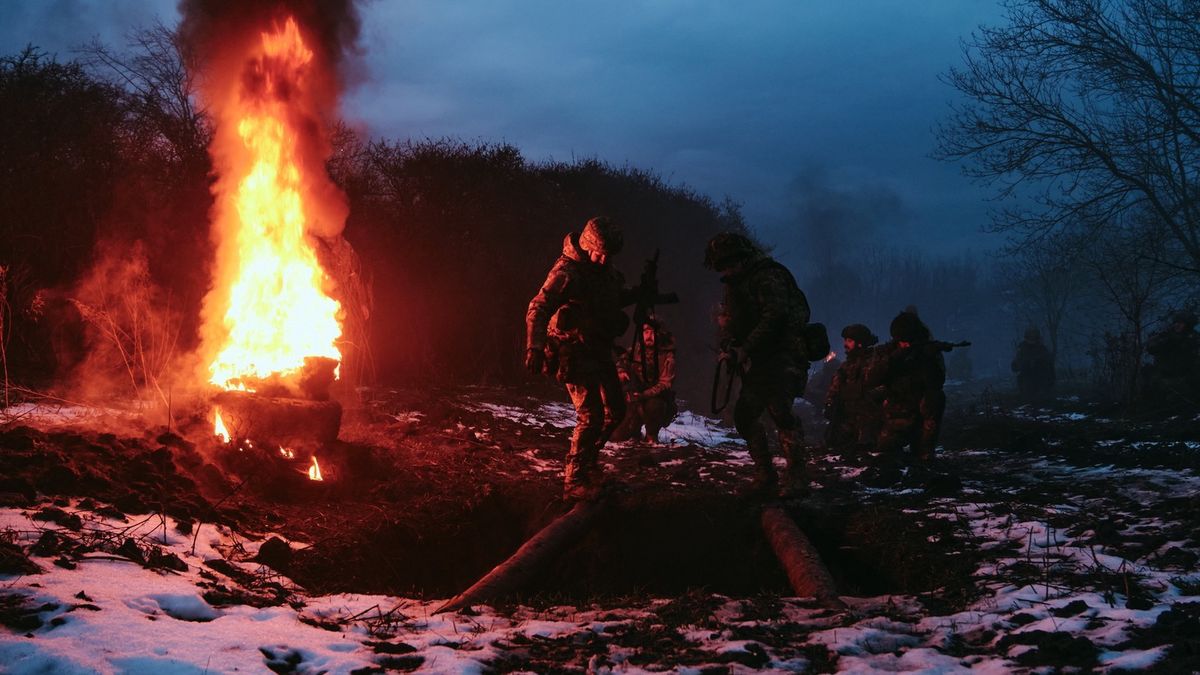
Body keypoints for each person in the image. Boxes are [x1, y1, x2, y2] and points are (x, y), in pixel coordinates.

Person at [526, 216, 635, 499]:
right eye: (599, 253)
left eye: (607, 255)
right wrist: (534, 347)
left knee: (617, 410)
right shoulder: (567, 272)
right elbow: (538, 308)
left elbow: (610, 299)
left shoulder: (606, 271)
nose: (602, 259)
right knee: (591, 415)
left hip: (597, 349)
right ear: (587, 245)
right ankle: (574, 480)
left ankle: (587, 465)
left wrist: (638, 295)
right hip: (571, 351)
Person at [704, 232, 811, 497]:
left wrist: (745, 348)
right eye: (722, 266)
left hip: (783, 354)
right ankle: (765, 474)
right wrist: (728, 346)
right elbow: (729, 319)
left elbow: (774, 318)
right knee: (745, 414)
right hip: (760, 360)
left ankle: (797, 478)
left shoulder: (768, 276)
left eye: (729, 263)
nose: (726, 270)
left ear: (742, 257)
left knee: (781, 413)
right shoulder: (735, 283)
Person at [868, 310, 946, 470]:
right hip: (896, 410)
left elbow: (937, 382)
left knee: (937, 398)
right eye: (902, 341)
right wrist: (896, 358)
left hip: (921, 409)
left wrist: (928, 360)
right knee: (886, 455)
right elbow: (871, 379)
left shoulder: (927, 350)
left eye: (909, 341)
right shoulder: (886, 352)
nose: (906, 345)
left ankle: (924, 449)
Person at [612, 317, 678, 444]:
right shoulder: (636, 349)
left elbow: (665, 383)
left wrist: (644, 395)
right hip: (635, 399)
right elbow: (621, 362)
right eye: (646, 332)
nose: (648, 335)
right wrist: (621, 372)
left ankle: (651, 435)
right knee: (617, 437)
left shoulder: (667, 355)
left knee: (655, 406)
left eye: (652, 332)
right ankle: (634, 431)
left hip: (655, 399)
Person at [824, 324, 882, 454]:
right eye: (845, 340)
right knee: (834, 440)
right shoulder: (846, 366)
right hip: (849, 415)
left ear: (860, 343)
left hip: (870, 416)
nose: (845, 344)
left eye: (849, 341)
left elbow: (881, 388)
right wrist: (829, 402)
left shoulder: (875, 361)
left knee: (868, 445)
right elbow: (835, 387)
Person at [1144, 310, 1200, 407]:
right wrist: (1168, 342)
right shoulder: (1166, 335)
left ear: (1188, 324)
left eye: (1181, 323)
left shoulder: (1194, 338)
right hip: (1166, 376)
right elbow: (1151, 347)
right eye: (1176, 322)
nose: (1177, 325)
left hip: (1187, 377)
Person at [1011, 327, 1055, 401]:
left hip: (1040, 380)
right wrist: (1020, 365)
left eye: (1034, 337)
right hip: (1026, 380)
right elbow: (1016, 365)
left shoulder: (1042, 349)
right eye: (1030, 337)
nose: (1032, 339)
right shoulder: (1022, 349)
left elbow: (1049, 366)